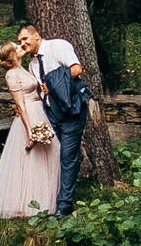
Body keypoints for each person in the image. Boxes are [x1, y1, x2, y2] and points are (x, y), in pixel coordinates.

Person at [16, 23, 91, 216]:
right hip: (51, 113)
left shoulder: (58, 46)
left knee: (67, 157)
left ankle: (64, 206)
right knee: (53, 157)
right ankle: (49, 199)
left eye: (25, 39)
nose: (22, 43)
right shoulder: (32, 65)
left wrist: (51, 81)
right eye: (19, 41)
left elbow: (76, 69)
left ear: (37, 36)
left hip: (72, 111)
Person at [0, 39, 60, 219]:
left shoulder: (22, 69)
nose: (20, 47)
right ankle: (25, 204)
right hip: (29, 117)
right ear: (11, 55)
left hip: (39, 111)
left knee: (49, 154)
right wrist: (30, 131)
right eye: (16, 47)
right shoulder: (11, 75)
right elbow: (20, 105)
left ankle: (44, 200)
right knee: (30, 160)